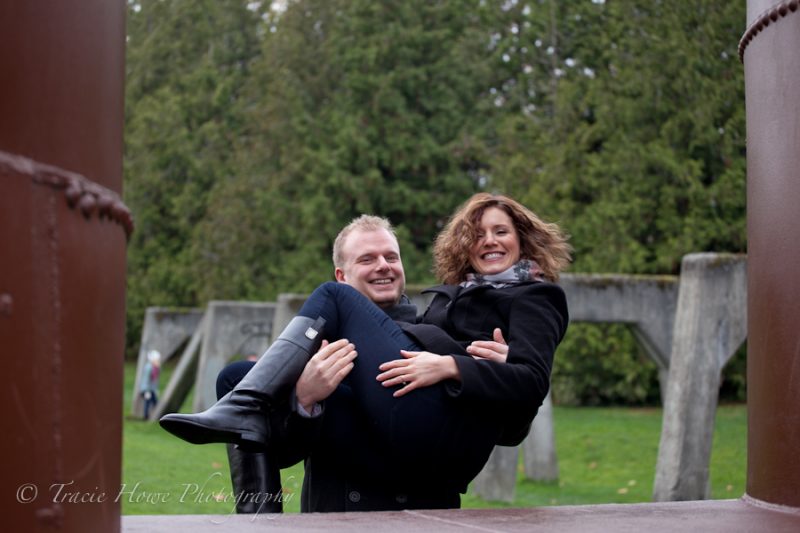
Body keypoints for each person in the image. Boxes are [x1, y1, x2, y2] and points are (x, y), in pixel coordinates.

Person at [160, 193, 570, 511]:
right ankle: (256, 516)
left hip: (413, 485)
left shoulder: (432, 320)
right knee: (234, 379)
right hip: (338, 503)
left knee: (327, 303)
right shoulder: (448, 301)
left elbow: (513, 420)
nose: (384, 266)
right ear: (344, 271)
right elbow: (280, 451)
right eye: (368, 259)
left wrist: (459, 366)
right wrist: (303, 400)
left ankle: (248, 402)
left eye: (391, 256)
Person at [139, 349, 161, 420]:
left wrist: (156, 389)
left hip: (152, 389)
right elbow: (146, 380)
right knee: (147, 402)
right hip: (147, 389)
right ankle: (146, 416)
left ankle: (157, 415)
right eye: (156, 360)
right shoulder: (148, 367)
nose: (158, 361)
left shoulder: (156, 368)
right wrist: (146, 391)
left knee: (155, 402)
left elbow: (155, 380)